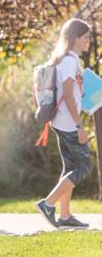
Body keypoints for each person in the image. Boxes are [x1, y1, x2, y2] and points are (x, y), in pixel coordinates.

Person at [35, 19, 93, 228]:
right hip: (69, 123)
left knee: (70, 167)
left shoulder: (62, 59)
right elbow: (68, 95)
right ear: (75, 37)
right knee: (85, 167)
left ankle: (65, 216)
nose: (88, 42)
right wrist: (79, 127)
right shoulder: (69, 61)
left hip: (60, 121)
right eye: (85, 37)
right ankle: (48, 204)